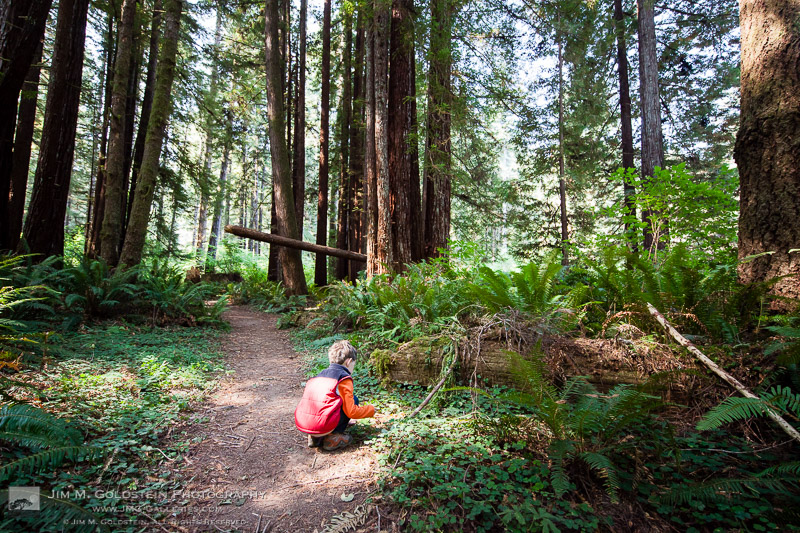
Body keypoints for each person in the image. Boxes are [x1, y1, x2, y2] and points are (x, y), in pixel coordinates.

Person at [294, 340, 376, 451]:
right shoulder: (343, 379)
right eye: (353, 365)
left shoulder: (320, 374)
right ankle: (333, 436)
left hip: (304, 423)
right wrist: (371, 409)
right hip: (322, 425)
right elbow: (351, 411)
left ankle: (315, 437)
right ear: (349, 361)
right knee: (354, 399)